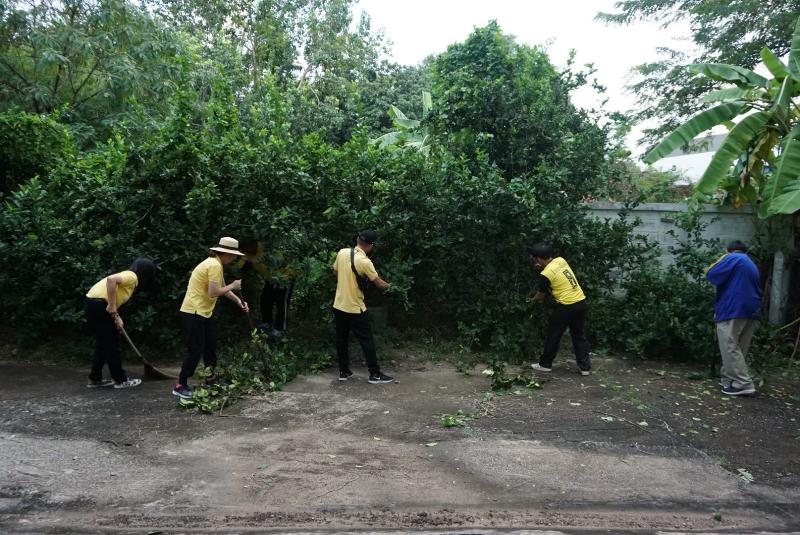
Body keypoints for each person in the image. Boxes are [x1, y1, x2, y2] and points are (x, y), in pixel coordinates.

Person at [172, 237, 249, 400]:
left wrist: (239, 302)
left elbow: (222, 289)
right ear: (226, 254)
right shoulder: (214, 265)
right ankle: (180, 384)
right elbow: (214, 292)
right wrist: (234, 285)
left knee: (210, 346)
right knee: (196, 349)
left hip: (203, 312)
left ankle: (210, 379)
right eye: (233, 255)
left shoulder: (214, 263)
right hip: (194, 311)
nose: (234, 258)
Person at [332, 230, 393, 384]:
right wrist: (391, 286)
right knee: (367, 341)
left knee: (341, 339)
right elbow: (378, 283)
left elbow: (335, 272)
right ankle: (375, 374)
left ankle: (344, 372)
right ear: (371, 245)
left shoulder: (342, 252)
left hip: (339, 305)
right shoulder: (365, 262)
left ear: (358, 240)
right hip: (355, 308)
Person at [84, 257, 155, 389]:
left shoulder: (128, 277)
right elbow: (111, 280)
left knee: (103, 344)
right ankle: (120, 380)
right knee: (112, 344)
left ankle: (95, 378)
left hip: (93, 304)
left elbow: (114, 297)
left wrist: (116, 316)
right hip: (99, 305)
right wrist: (111, 305)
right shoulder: (132, 276)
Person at [705, 240, 761, 396]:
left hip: (733, 308)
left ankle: (743, 383)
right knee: (739, 346)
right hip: (751, 309)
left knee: (729, 344)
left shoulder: (732, 258)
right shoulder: (750, 262)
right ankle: (730, 380)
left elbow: (711, 273)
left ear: (729, 250)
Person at [528, 243, 591, 375]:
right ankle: (585, 368)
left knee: (554, 335)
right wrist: (542, 268)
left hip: (566, 306)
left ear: (539, 259)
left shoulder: (546, 274)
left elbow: (541, 294)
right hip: (580, 301)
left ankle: (545, 364)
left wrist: (532, 300)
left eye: (535, 259)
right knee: (579, 335)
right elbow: (556, 274)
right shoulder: (561, 260)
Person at [240, 240, 295, 336]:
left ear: (254, 245)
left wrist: (257, 260)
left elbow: (279, 263)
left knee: (281, 303)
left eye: (249, 248)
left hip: (284, 277)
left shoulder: (267, 250)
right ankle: (267, 322)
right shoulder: (246, 254)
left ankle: (280, 328)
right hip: (270, 279)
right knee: (265, 299)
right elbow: (238, 267)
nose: (247, 250)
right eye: (245, 249)